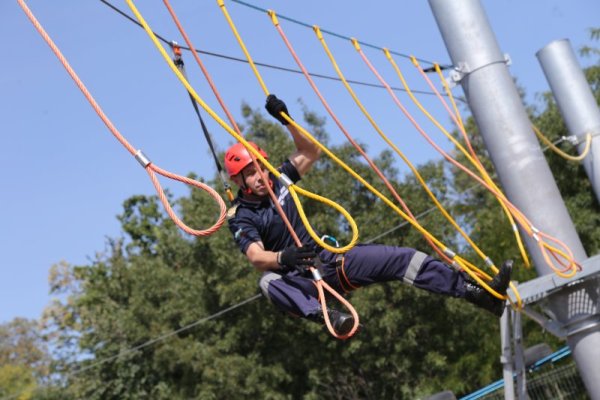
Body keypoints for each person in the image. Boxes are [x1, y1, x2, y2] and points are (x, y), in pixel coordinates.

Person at [225, 94, 513, 336]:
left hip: (327, 260)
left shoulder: (280, 178)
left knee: (404, 259)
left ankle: (480, 295)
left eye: (261, 167)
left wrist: (287, 121)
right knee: (266, 282)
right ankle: (325, 316)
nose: (261, 176)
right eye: (251, 174)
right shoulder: (242, 215)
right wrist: (281, 258)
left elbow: (310, 151)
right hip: (299, 280)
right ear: (239, 182)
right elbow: (255, 256)